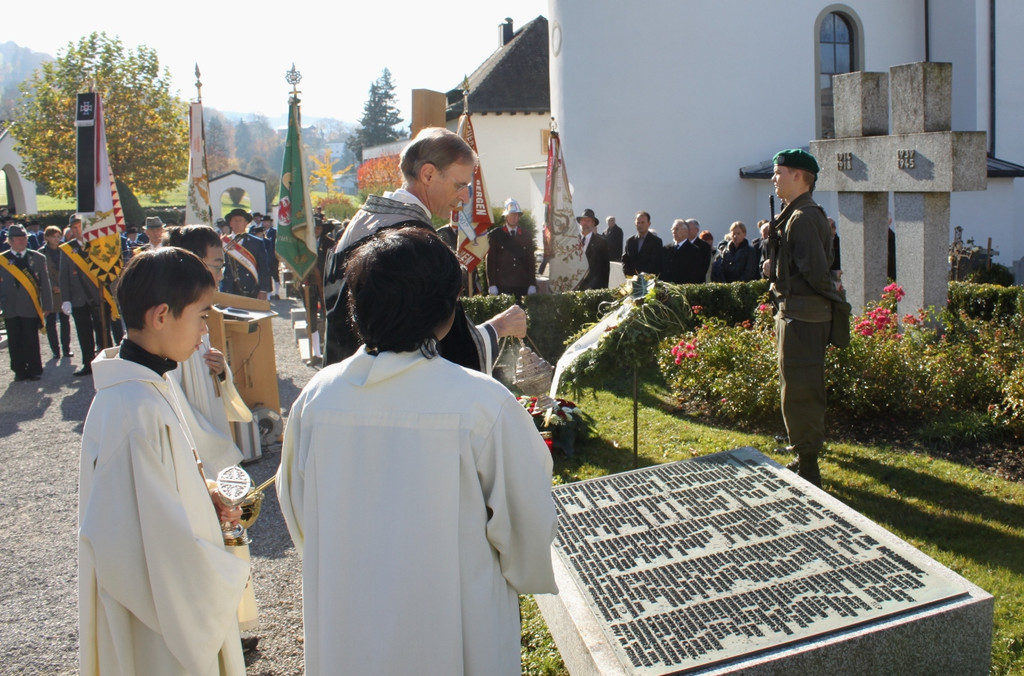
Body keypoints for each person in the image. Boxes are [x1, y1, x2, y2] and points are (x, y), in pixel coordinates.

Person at [277, 227, 557, 676]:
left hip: (347, 614)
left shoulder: (316, 399)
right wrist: (521, 570)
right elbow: (527, 520)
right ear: (445, 310)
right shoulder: (482, 404)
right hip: (455, 619)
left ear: (357, 307)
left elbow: (298, 510)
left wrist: (348, 550)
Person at [78, 247, 250, 675]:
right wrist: (223, 575)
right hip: (158, 625)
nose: (205, 329)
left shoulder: (150, 383)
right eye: (201, 315)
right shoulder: (133, 410)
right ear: (160, 316)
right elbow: (138, 547)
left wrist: (205, 493)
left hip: (166, 608)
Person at [322, 127, 526, 369]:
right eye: (460, 185)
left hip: (343, 379)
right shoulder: (414, 245)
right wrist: (499, 328)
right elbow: (441, 346)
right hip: (387, 385)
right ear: (428, 174)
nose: (465, 197)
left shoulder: (361, 222)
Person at [163, 224, 262, 651]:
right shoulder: (170, 328)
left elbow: (211, 396)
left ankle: (231, 630)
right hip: (199, 462)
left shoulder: (197, 321)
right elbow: (174, 409)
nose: (220, 272)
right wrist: (218, 458)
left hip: (212, 455)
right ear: (191, 263)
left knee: (227, 542)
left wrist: (220, 373)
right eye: (216, 264)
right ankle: (215, 637)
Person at [767, 148, 843, 488]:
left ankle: (809, 465)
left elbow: (815, 272)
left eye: (779, 172)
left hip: (804, 317)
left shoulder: (804, 217)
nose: (774, 178)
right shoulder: (794, 214)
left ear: (799, 176)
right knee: (794, 386)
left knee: (802, 389)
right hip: (796, 314)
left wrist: (832, 298)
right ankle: (803, 452)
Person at [59, 214, 112, 376]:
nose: (77, 230)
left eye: (80, 227)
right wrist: (66, 299)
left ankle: (107, 364)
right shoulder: (67, 249)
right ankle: (88, 364)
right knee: (84, 333)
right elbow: (64, 276)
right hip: (78, 298)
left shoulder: (97, 244)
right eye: (74, 228)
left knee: (103, 332)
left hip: (99, 296)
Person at [0, 224, 52, 381]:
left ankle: (34, 369)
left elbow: (45, 284)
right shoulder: (2, 260)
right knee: (14, 341)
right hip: (10, 306)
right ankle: (19, 370)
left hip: (30, 305)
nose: (22, 241)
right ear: (10, 241)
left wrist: (47, 305)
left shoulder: (37, 258)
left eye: (24, 238)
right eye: (18, 239)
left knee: (31, 339)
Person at [486, 198, 537, 298]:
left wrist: (532, 283)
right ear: (506, 216)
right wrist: (492, 284)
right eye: (511, 215)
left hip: (522, 284)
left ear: (519, 217)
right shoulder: (496, 235)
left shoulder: (526, 235)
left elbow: (530, 261)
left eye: (516, 215)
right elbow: (491, 261)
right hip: (502, 284)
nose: (514, 218)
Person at [221, 208, 271, 299]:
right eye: (235, 220)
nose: (238, 223)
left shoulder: (257, 242)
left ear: (246, 223)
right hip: (228, 288)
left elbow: (263, 268)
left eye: (240, 220)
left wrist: (263, 290)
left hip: (251, 289)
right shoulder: (223, 242)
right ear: (230, 223)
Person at [39, 225, 73, 360]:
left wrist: (62, 286)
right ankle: (55, 350)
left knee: (65, 321)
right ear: (47, 237)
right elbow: (41, 273)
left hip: (63, 290)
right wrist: (53, 286)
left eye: (58, 236)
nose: (57, 239)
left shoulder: (65, 249)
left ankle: (66, 349)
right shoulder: (41, 252)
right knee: (51, 322)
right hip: (49, 291)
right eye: (53, 236)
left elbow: (69, 269)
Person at [575, 208, 610, 289]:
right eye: (583, 220)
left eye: (588, 221)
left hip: (593, 288)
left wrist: (603, 290)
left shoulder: (601, 242)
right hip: (574, 286)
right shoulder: (573, 240)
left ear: (593, 224)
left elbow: (605, 269)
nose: (585, 223)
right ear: (580, 222)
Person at [620, 211, 663, 277]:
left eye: (643, 223)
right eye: (638, 223)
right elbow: (625, 260)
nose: (640, 225)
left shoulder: (656, 242)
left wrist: (643, 277)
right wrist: (629, 276)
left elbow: (655, 262)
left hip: (648, 280)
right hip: (632, 279)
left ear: (649, 224)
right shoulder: (630, 241)